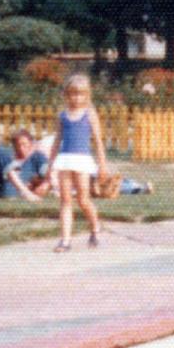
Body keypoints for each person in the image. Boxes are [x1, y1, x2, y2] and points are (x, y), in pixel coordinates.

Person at [47, 74, 108, 250]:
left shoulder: (89, 114)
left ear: (87, 95)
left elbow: (97, 140)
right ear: (66, 95)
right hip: (65, 159)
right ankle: (65, 240)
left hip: (82, 160)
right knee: (65, 199)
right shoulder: (63, 116)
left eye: (80, 94)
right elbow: (57, 141)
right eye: (73, 94)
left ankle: (95, 227)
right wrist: (51, 164)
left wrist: (102, 164)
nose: (76, 98)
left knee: (83, 199)